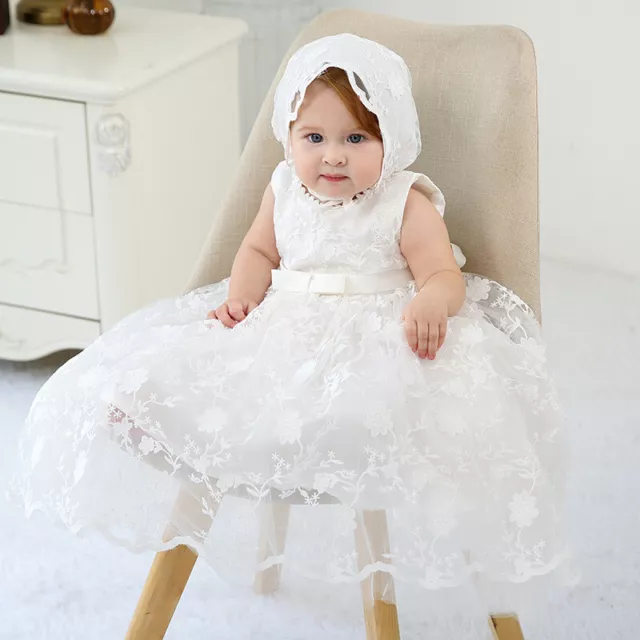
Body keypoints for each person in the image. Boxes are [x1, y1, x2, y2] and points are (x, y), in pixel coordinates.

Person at [8, 33, 574, 617]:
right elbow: (256, 252)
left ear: (391, 140)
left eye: (356, 138)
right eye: (314, 137)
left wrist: (433, 300)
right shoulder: (283, 189)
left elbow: (441, 274)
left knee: (368, 417)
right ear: (289, 137)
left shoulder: (405, 202)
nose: (333, 155)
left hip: (376, 337)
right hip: (285, 330)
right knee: (204, 393)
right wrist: (241, 299)